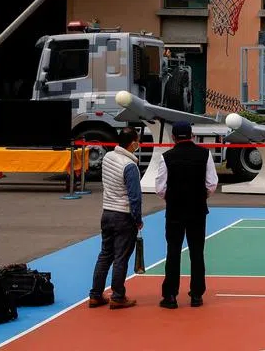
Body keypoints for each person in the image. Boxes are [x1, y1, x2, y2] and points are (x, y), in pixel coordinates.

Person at [156, 121, 218, 309]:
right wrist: (199, 197)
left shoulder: (166, 157)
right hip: (198, 210)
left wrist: (173, 198)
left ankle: (170, 296)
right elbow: (212, 184)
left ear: (173, 137)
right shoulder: (205, 154)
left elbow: (160, 188)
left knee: (173, 252)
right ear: (192, 135)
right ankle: (197, 294)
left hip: (175, 210)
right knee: (197, 252)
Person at [88, 127, 143, 310]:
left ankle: (95, 294)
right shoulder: (130, 166)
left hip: (107, 212)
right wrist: (138, 219)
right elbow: (135, 197)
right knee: (121, 257)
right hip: (123, 215)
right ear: (133, 143)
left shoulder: (109, 158)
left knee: (105, 255)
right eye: (137, 141)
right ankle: (118, 296)